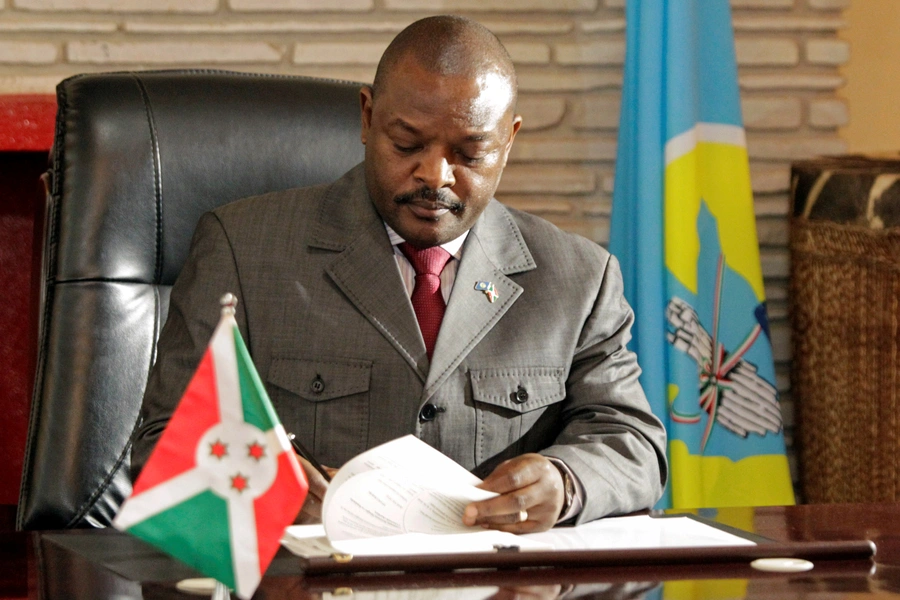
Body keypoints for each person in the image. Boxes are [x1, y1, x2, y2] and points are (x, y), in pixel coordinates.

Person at [132, 15, 667, 533]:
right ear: (367, 118)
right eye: (407, 144)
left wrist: (565, 480)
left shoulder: (577, 277)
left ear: (509, 140)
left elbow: (632, 442)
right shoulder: (242, 249)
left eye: (470, 152)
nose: (435, 174)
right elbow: (165, 441)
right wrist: (264, 485)